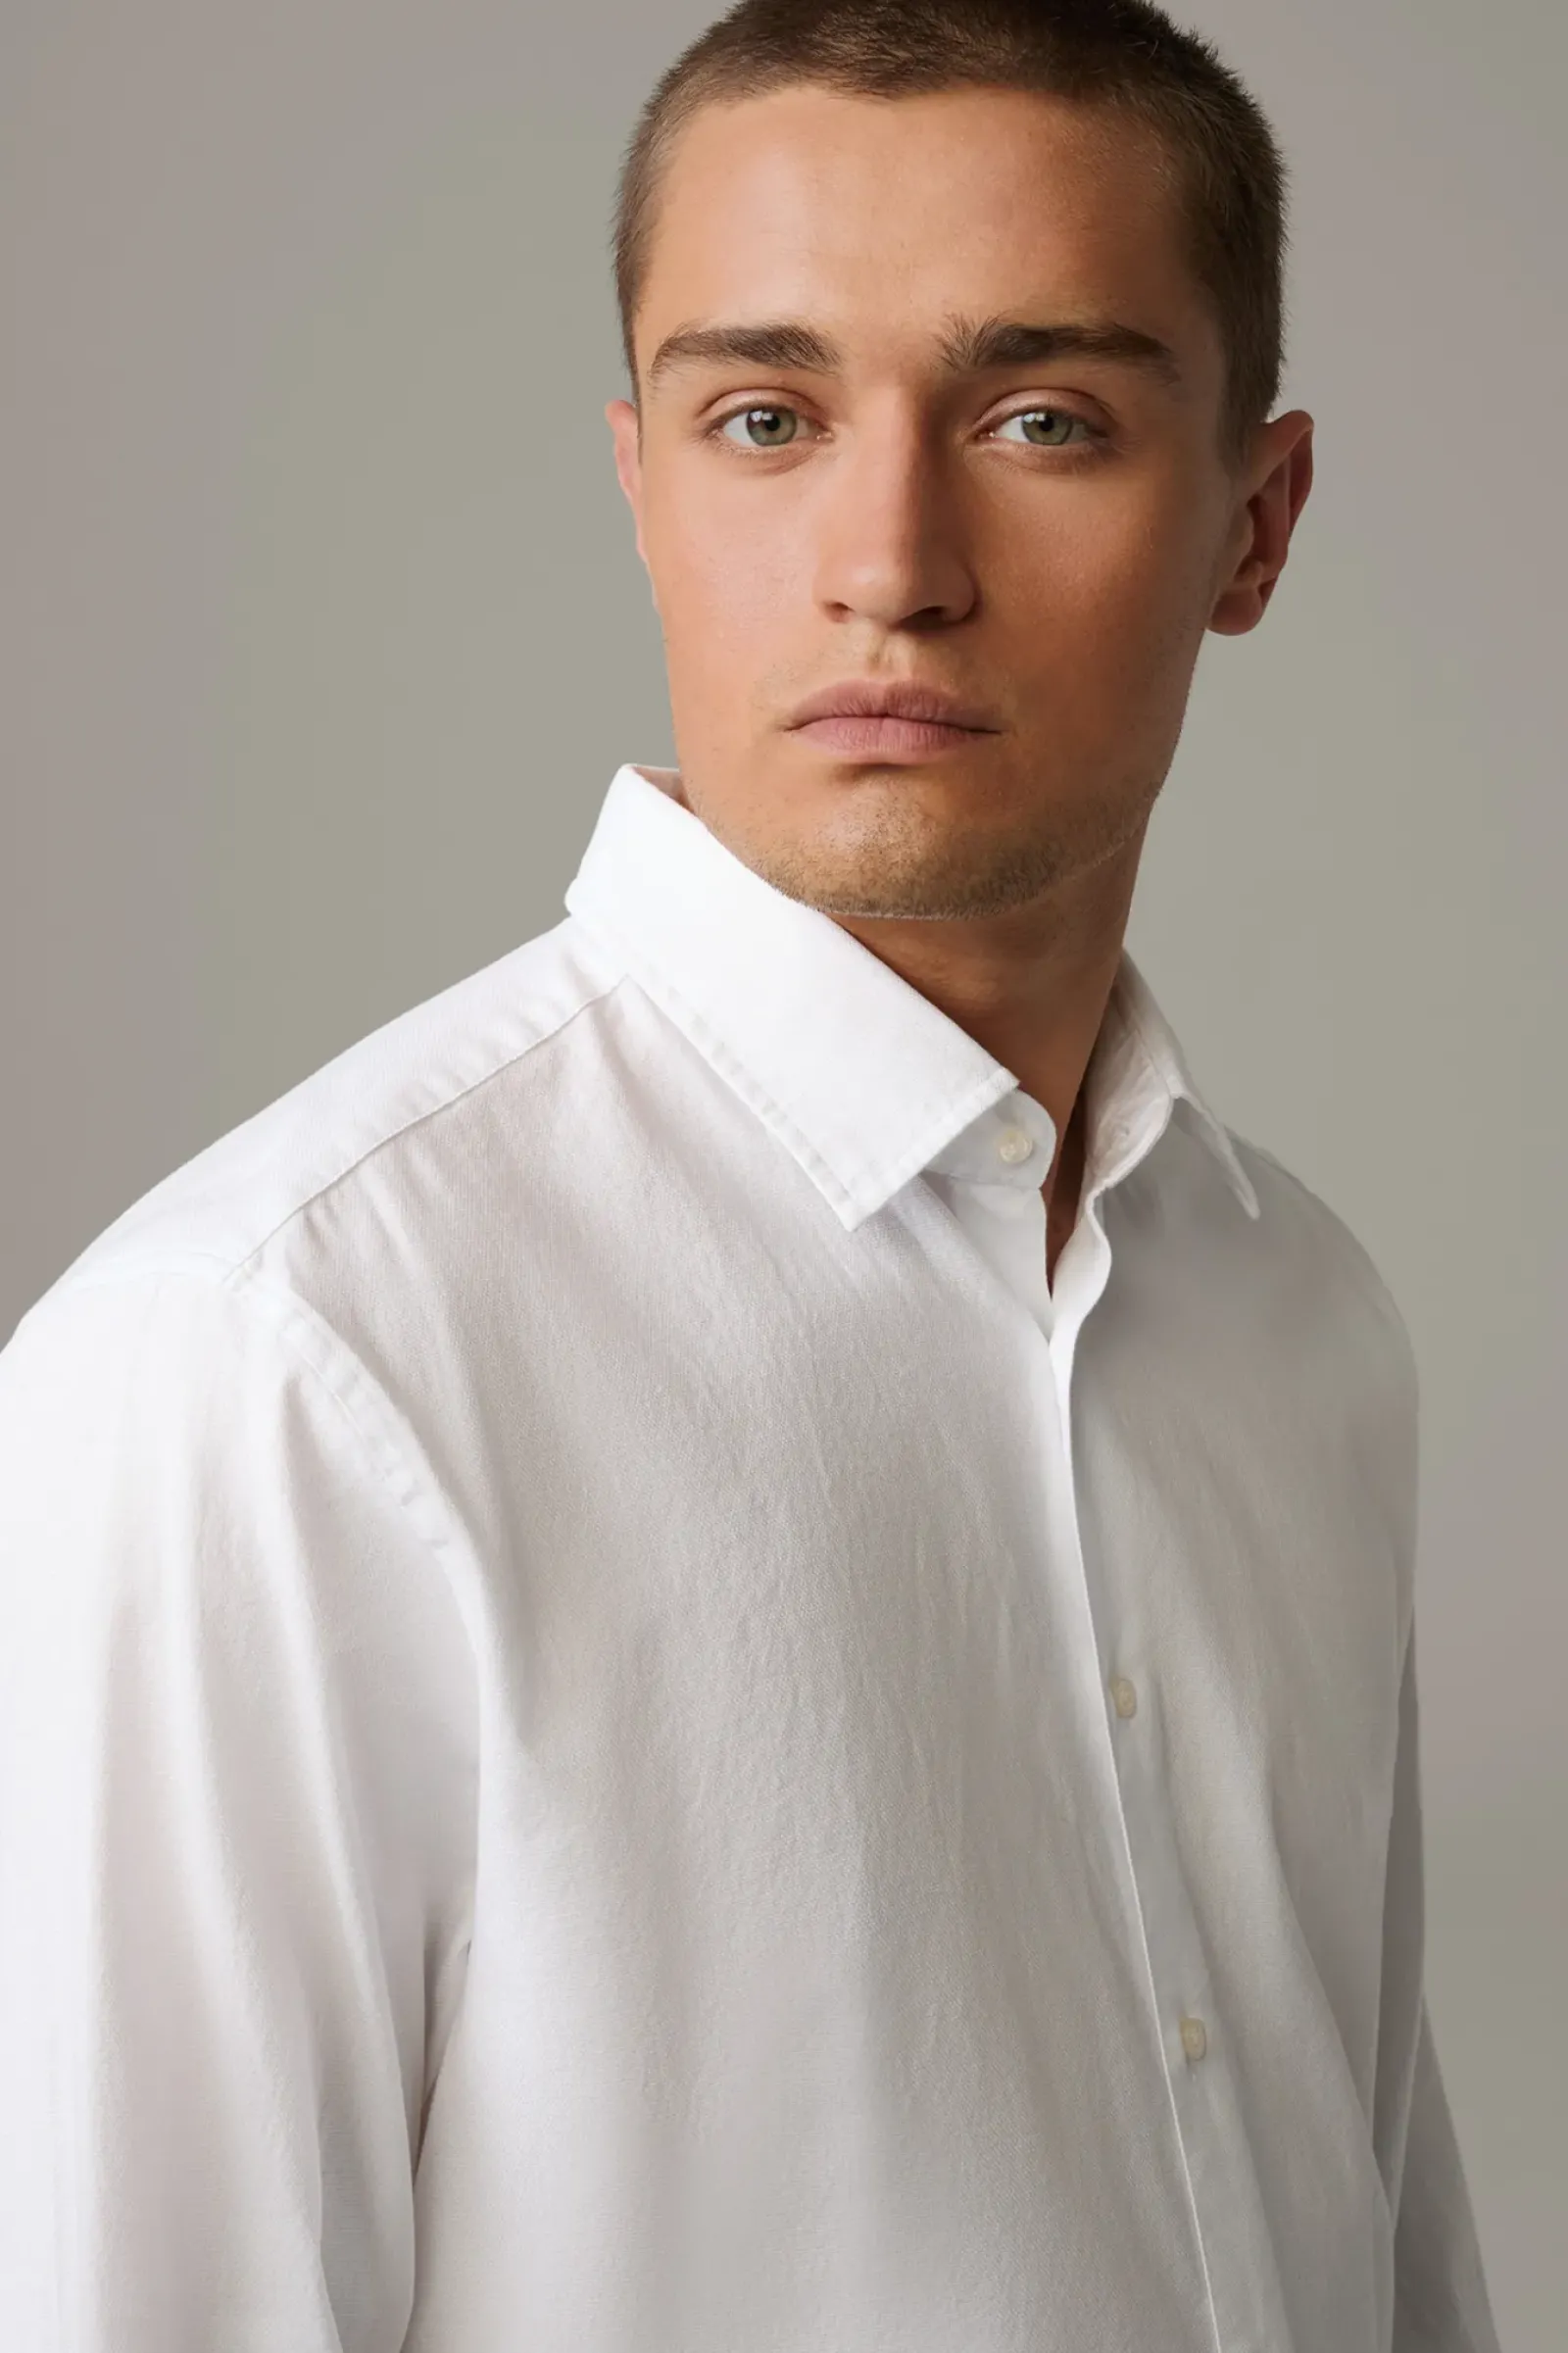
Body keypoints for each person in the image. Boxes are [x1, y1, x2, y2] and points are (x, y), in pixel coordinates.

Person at [0, 2, 1502, 2347]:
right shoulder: (272, 1364)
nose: (888, 565)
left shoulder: (1292, 1326)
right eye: (766, 420)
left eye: (1039, 418)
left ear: (1254, 520)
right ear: (640, 484)